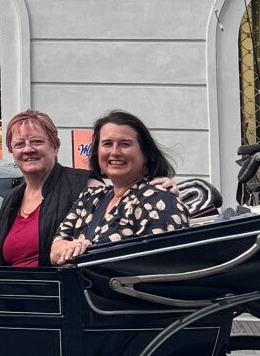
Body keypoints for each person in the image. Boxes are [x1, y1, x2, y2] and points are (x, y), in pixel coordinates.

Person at [51, 110, 183, 264]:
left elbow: (159, 266)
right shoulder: (90, 197)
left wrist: (78, 253)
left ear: (145, 154)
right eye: (107, 144)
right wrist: (74, 247)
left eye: (125, 144)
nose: (115, 152)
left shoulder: (160, 201)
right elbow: (54, 251)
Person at [0, 108, 89, 268]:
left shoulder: (83, 185)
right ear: (12, 151)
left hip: (60, 283)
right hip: (13, 284)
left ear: (55, 146)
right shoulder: (11, 199)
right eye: (19, 144)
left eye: (37, 141)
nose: (28, 149)